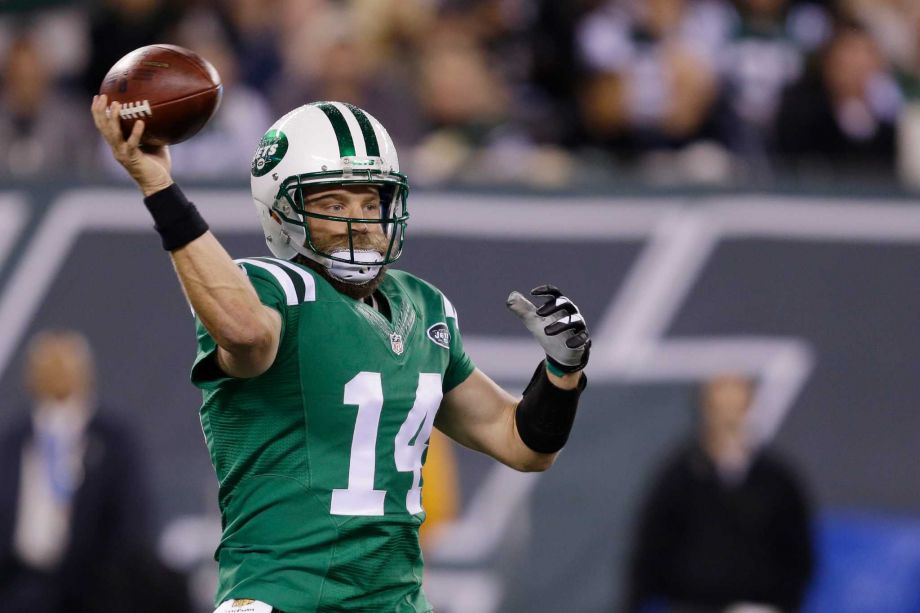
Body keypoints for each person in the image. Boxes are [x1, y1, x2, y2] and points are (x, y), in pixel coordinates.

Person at [91, 96, 592, 612]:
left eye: (371, 202)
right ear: (281, 212)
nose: (360, 220)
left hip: (395, 601)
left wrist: (562, 375)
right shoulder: (272, 288)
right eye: (333, 204)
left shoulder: (423, 307)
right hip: (284, 597)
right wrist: (160, 187)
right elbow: (244, 331)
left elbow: (521, 443)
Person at [0, 330, 190, 612]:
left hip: (95, 588)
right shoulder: (13, 441)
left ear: (85, 372)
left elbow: (131, 524)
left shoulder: (114, 440)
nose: (57, 371)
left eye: (66, 362)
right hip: (21, 585)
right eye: (48, 363)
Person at [623, 374, 814, 613]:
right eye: (720, 408)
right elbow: (649, 553)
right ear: (706, 410)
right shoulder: (678, 476)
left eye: (737, 407)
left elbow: (798, 554)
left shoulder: (777, 480)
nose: (729, 418)